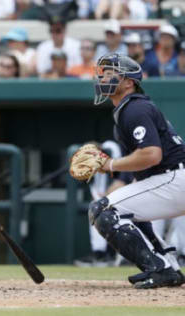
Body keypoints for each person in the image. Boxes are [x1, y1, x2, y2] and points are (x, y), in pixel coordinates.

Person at [90, 52, 185, 289]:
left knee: (104, 210)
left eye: (111, 74)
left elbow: (152, 155)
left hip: (175, 178)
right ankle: (168, 265)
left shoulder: (134, 109)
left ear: (128, 82)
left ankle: (159, 268)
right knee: (128, 212)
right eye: (103, 74)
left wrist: (110, 164)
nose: (103, 79)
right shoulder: (129, 109)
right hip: (171, 178)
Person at [74, 140, 131, 267]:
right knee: (96, 208)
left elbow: (121, 181)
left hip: (136, 196)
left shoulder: (112, 148)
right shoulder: (96, 173)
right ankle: (100, 254)